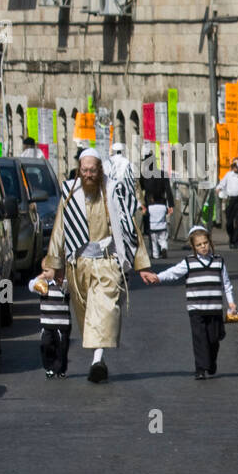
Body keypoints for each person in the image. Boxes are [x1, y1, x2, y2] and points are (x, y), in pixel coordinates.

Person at [43, 147, 151, 383]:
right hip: (78, 264)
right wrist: (54, 264)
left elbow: (130, 227)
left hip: (107, 262)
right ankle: (96, 355)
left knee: (103, 309)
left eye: (93, 170)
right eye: (85, 170)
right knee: (87, 315)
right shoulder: (70, 194)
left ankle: (97, 361)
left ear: (100, 169)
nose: (89, 174)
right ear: (79, 170)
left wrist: (141, 264)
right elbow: (59, 230)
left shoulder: (113, 192)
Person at [140, 226, 236, 379]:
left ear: (210, 242)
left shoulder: (219, 261)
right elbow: (173, 272)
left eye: (205, 243)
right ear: (193, 247)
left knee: (213, 339)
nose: (203, 246)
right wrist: (157, 277)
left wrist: (231, 303)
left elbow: (226, 284)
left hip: (214, 308)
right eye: (199, 245)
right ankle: (200, 369)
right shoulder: (189, 262)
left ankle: (211, 362)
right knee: (199, 339)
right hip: (196, 309)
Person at [29, 266, 71, 378]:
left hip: (62, 323)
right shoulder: (43, 284)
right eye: (44, 270)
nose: (45, 273)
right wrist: (41, 277)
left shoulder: (64, 283)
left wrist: (60, 279)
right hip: (47, 323)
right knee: (46, 345)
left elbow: (68, 289)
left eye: (48, 270)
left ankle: (61, 369)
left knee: (62, 347)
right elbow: (31, 286)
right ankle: (50, 367)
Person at [140, 147, 175, 259]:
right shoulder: (163, 174)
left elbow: (140, 189)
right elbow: (168, 190)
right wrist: (171, 205)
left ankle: (154, 252)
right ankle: (163, 246)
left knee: (152, 231)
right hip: (162, 205)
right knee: (162, 229)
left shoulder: (144, 175)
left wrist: (141, 205)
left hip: (149, 206)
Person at [217, 157, 238, 249]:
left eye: (236, 165)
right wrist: (218, 189)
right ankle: (231, 239)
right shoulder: (229, 174)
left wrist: (237, 162)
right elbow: (222, 184)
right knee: (229, 222)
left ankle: (236, 241)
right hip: (230, 200)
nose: (235, 167)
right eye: (233, 165)